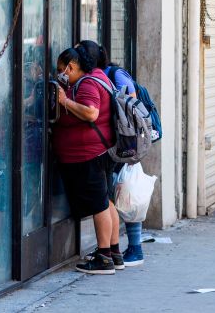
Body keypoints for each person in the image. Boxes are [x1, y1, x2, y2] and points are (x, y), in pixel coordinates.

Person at [53, 47, 123, 275]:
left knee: (98, 205)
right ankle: (113, 253)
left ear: (71, 67)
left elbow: (91, 113)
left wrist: (64, 101)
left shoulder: (87, 84)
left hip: (88, 155)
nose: (59, 74)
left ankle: (103, 258)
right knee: (106, 201)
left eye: (60, 70)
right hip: (99, 152)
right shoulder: (98, 76)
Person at [76, 40, 145, 267]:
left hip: (122, 142)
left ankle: (131, 247)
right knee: (112, 195)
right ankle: (115, 252)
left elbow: (132, 106)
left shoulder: (112, 74)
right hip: (113, 143)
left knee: (123, 190)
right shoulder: (102, 75)